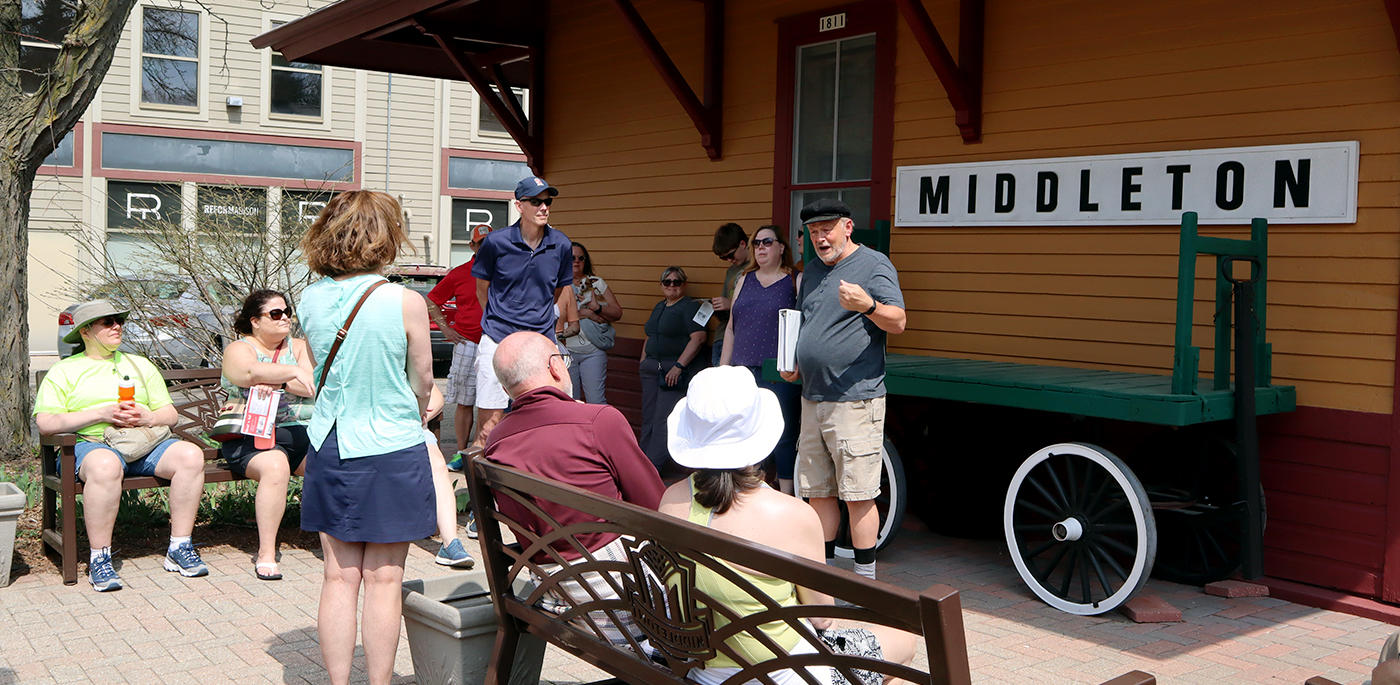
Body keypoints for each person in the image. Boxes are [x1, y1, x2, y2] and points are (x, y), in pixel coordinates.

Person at [658, 366, 915, 685]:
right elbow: (822, 617)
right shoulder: (791, 515)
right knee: (904, 644)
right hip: (782, 674)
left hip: (704, 669)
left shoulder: (671, 500)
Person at [298, 190, 437, 685]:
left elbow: (314, 367)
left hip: (331, 441)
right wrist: (422, 408)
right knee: (385, 578)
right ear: (387, 236)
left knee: (337, 576)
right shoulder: (404, 301)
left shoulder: (309, 298)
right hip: (390, 443)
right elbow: (421, 377)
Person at [484, 331, 665, 643]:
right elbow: (658, 509)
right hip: (619, 601)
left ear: (505, 388)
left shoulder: (495, 442)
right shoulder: (598, 421)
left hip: (550, 593)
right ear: (556, 367)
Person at [34, 299, 210, 592]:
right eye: (108, 322)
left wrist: (147, 415)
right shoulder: (65, 371)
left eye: (119, 321)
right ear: (86, 332)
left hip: (142, 443)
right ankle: (100, 558)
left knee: (191, 455)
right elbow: (46, 422)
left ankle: (180, 547)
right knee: (106, 465)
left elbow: (170, 414)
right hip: (90, 445)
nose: (117, 326)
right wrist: (101, 414)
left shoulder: (139, 365)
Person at [779, 199, 906, 582]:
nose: (820, 238)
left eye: (826, 230)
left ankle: (865, 582)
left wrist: (868, 305)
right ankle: (826, 580)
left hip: (856, 399)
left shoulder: (874, 264)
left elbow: (898, 321)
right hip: (812, 396)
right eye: (813, 232)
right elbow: (807, 322)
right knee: (817, 493)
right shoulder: (812, 271)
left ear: (847, 227)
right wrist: (795, 360)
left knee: (858, 495)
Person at [220, 290, 317, 581]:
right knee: (276, 466)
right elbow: (247, 373)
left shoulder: (299, 346)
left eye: (287, 311)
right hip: (250, 439)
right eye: (276, 313)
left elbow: (310, 384)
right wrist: (290, 373)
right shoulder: (239, 348)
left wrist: (279, 382)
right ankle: (266, 554)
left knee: (334, 462)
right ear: (255, 321)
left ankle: (341, 540)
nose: (285, 317)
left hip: (301, 436)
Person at [470, 176, 573, 448]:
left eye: (547, 201)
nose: (544, 207)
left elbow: (562, 290)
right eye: (536, 201)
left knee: (545, 419)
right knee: (489, 427)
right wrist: (496, 320)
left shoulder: (561, 244)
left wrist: (552, 322)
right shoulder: (495, 242)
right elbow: (482, 289)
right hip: (497, 338)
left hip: (541, 342)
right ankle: (485, 487)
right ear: (519, 205)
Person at [720, 225, 802, 494]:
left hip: (779, 372)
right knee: (746, 433)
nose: (761, 247)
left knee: (784, 435)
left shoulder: (795, 281)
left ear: (781, 247)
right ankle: (750, 493)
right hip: (743, 370)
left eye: (768, 242)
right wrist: (723, 369)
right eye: (756, 243)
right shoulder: (744, 279)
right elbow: (731, 326)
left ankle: (787, 496)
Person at [426, 223, 489, 469]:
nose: (487, 248)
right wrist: (445, 328)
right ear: (472, 246)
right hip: (467, 343)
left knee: (492, 401)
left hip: (495, 343)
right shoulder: (460, 273)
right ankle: (462, 454)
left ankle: (483, 452)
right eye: (482, 244)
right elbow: (432, 301)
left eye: (491, 244)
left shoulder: (504, 270)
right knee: (465, 401)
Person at [639, 266, 707, 471]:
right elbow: (651, 335)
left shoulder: (690, 307)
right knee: (649, 415)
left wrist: (679, 366)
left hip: (672, 371)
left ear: (683, 284)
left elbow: (699, 338)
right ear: (661, 285)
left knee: (663, 418)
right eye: (667, 282)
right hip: (651, 369)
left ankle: (653, 466)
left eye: (676, 282)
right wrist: (643, 361)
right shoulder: (659, 306)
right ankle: (641, 461)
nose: (671, 286)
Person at [422, 384, 474, 568]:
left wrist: (422, 415)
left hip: (412, 428)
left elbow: (436, 395)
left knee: (438, 464)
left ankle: (450, 543)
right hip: (372, 433)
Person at [563, 241, 621, 404]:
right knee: (569, 402)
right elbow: (552, 314)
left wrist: (597, 308)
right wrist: (588, 313)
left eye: (581, 257)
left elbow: (617, 312)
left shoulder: (596, 282)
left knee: (596, 402)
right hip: (567, 352)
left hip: (593, 350)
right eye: (572, 257)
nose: (576, 261)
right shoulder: (558, 284)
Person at [709, 222, 750, 366]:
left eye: (731, 255)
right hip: (722, 335)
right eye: (723, 258)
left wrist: (730, 304)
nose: (729, 260)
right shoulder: (731, 270)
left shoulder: (757, 266)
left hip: (741, 338)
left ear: (743, 244)